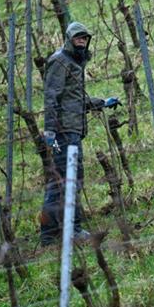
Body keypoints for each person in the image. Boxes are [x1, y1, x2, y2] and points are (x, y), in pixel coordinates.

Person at [41, 21, 122, 246]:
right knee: (64, 181)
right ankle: (61, 233)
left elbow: (75, 99)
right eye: (77, 37)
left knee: (66, 181)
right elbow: (51, 97)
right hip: (62, 133)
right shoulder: (60, 61)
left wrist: (102, 103)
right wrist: (50, 132)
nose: (82, 41)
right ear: (68, 39)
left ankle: (57, 233)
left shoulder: (74, 64)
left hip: (72, 131)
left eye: (85, 38)